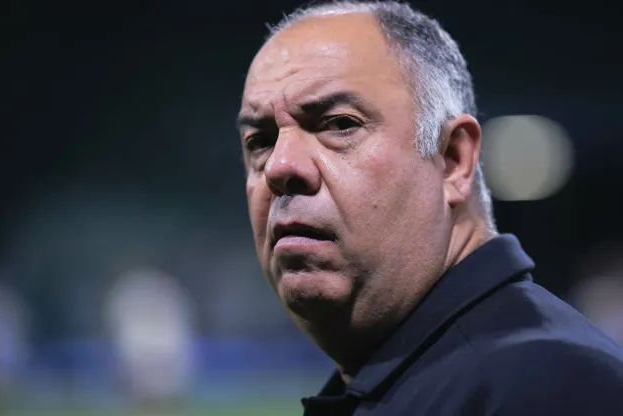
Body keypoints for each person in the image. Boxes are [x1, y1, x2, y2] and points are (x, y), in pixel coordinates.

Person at [237, 1, 623, 414]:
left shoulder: (546, 386)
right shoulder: (438, 377)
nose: (280, 166)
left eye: (339, 124)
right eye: (260, 141)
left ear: (453, 159)